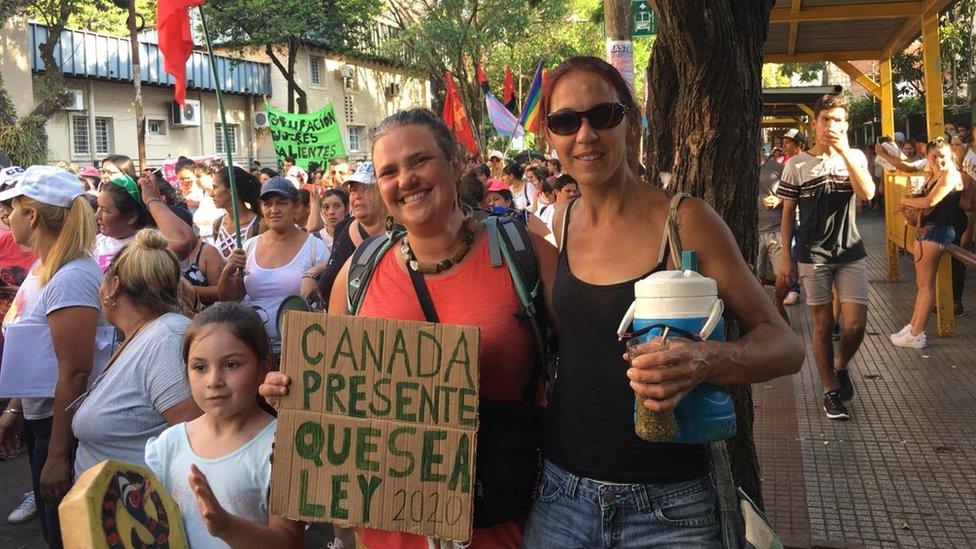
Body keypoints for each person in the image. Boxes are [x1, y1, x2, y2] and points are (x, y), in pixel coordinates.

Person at [524, 56, 803, 547]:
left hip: (670, 507)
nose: (585, 134)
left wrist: (703, 360)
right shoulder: (561, 222)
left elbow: (784, 344)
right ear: (551, 137)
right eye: (566, 121)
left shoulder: (685, 220)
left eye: (603, 116)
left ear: (631, 124)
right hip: (562, 496)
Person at [261, 107, 559, 548]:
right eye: (390, 171)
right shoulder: (357, 274)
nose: (406, 180)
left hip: (502, 527)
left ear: (455, 163)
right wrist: (295, 394)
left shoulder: (524, 254)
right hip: (384, 534)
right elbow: (332, 402)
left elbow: (586, 368)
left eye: (420, 161)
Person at [0, 166, 106, 548]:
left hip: (62, 429)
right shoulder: (45, 269)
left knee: (65, 534)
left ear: (31, 216)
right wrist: (16, 408)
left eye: (11, 207)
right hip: (42, 416)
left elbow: (76, 371)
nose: (6, 216)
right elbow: (38, 353)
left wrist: (58, 454)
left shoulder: (71, 277)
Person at [145, 303, 304, 548]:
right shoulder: (168, 445)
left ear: (263, 368)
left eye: (231, 365)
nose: (213, 381)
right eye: (200, 367)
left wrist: (228, 527)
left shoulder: (282, 447)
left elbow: (289, 540)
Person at [72, 229, 201, 475]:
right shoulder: (146, 335)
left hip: (141, 507)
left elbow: (196, 441)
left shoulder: (166, 339)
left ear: (113, 286)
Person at [778, 94, 875, 420]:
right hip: (813, 255)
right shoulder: (796, 165)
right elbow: (788, 215)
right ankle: (829, 390)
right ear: (815, 122)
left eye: (836, 121)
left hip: (850, 252)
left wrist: (845, 152)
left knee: (854, 326)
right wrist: (786, 257)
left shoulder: (855, 157)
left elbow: (868, 194)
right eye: (825, 120)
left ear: (845, 125)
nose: (829, 126)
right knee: (821, 324)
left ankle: (840, 364)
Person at [218, 177, 329, 362]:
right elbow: (230, 298)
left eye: (281, 203)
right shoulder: (248, 246)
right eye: (267, 204)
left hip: (298, 351)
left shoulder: (314, 247)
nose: (274, 210)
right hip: (253, 348)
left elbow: (332, 277)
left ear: (295, 206)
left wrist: (314, 272)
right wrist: (227, 272)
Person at [886, 138, 966, 348]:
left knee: (926, 286)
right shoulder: (935, 174)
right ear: (928, 157)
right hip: (930, 230)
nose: (939, 160)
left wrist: (904, 201)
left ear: (950, 156)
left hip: (938, 231)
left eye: (943, 156)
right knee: (921, 284)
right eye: (934, 157)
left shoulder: (950, 174)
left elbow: (929, 202)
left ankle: (916, 333)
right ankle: (913, 326)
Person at [94, 164, 196, 271]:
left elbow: (182, 241)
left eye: (105, 210)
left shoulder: (150, 247)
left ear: (131, 217)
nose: (97, 215)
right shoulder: (94, 244)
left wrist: (153, 200)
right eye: (98, 207)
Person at [315, 163, 387, 308]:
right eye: (353, 190)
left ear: (384, 192)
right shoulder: (342, 228)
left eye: (366, 189)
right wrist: (312, 273)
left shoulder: (401, 235)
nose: (358, 196)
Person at [210, 166, 263, 260]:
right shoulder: (217, 224)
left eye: (215, 187)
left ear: (231, 190)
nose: (211, 194)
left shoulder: (260, 226)